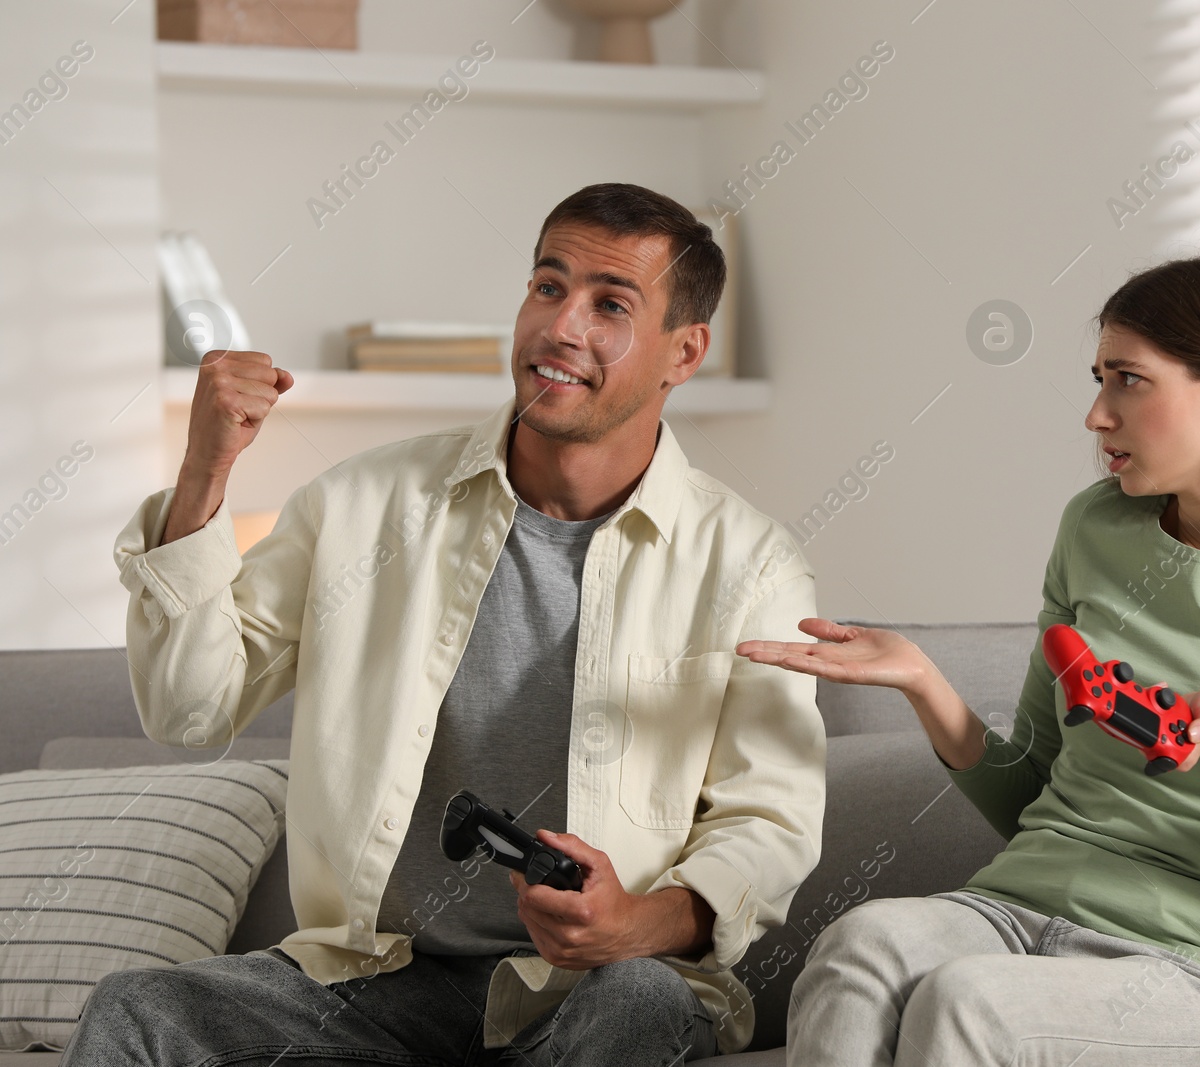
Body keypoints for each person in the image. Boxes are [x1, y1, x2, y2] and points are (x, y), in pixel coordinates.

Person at [64, 183, 825, 1065]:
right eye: (549, 286)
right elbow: (186, 709)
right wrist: (203, 474)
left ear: (682, 352)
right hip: (373, 981)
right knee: (138, 1008)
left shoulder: (752, 564)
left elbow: (767, 822)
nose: (562, 327)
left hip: (594, 986)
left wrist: (633, 923)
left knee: (638, 1004)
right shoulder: (360, 505)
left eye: (609, 305)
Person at [737, 252, 1200, 1067]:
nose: (1097, 414)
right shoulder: (1094, 528)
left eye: (1128, 380)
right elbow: (1031, 788)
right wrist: (923, 683)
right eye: (1098, 379)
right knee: (862, 946)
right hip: (1017, 907)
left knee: (970, 1002)